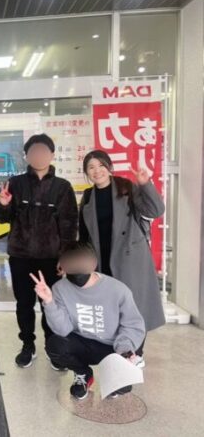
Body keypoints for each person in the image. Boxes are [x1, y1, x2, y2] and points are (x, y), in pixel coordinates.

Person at [0, 133, 78, 369]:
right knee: (24, 303)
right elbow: (1, 218)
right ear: (27, 156)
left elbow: (70, 225)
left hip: (51, 258)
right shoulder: (16, 183)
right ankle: (27, 345)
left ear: (52, 155)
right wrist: (3, 204)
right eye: (33, 151)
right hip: (21, 256)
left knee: (50, 304)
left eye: (43, 151)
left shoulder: (62, 187)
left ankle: (52, 347)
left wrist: (66, 257)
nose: (38, 155)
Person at [79, 150, 165, 362]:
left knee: (135, 306)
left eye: (101, 165)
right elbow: (84, 233)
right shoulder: (88, 197)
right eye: (91, 167)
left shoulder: (126, 187)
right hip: (101, 258)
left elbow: (155, 210)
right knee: (110, 306)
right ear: (87, 173)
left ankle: (137, 353)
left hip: (130, 257)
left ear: (109, 167)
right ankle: (119, 350)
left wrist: (145, 184)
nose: (97, 171)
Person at [34, 242, 146, 400]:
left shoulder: (118, 290)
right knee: (55, 345)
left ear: (93, 263)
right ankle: (83, 373)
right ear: (62, 265)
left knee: (123, 388)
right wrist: (49, 302)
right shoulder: (60, 288)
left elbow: (133, 325)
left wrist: (124, 350)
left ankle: (111, 372)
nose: (77, 269)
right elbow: (63, 330)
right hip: (83, 342)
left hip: (112, 346)